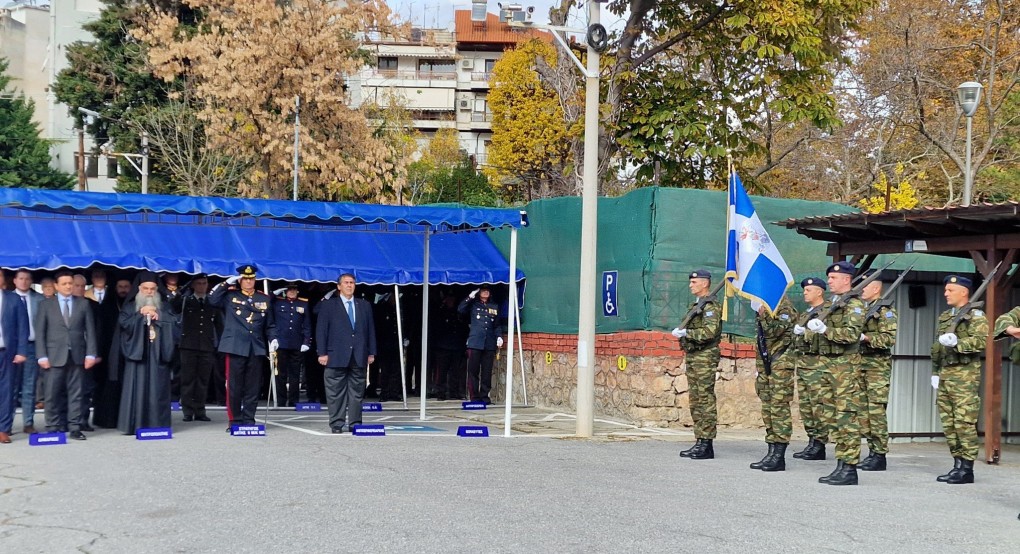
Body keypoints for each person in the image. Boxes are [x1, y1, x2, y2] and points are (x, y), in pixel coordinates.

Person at [808, 261, 866, 486]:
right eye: (829, 277)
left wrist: (826, 330)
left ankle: (849, 468)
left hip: (845, 369)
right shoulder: (834, 303)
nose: (829, 281)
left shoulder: (854, 305)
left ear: (846, 279)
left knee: (846, 417)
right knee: (832, 417)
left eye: (833, 277)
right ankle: (841, 464)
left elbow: (851, 334)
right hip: (828, 366)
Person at [930, 275, 987, 485]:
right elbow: (937, 346)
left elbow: (981, 342)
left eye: (950, 290)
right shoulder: (945, 316)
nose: (946, 293)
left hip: (964, 376)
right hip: (945, 374)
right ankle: (957, 464)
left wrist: (958, 343)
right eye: (946, 290)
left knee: (964, 422)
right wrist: (935, 370)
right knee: (949, 422)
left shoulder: (977, 315)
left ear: (964, 292)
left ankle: (967, 468)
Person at [208, 264, 276, 430]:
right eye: (245, 279)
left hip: (256, 346)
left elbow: (270, 324)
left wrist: (274, 339)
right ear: (239, 280)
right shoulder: (230, 296)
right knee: (234, 385)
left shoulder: (264, 298)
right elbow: (212, 299)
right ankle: (235, 420)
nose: (248, 282)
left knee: (253, 386)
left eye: (251, 278)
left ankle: (249, 419)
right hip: (235, 345)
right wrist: (225, 283)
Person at [34, 271, 98, 440]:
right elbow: (40, 332)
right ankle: (53, 426)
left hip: (77, 354)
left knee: (76, 393)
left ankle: (75, 426)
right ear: (56, 286)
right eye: (64, 284)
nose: (69, 286)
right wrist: (41, 356)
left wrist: (91, 354)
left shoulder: (83, 304)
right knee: (52, 393)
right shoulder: (45, 305)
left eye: (70, 283)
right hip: (53, 356)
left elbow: (90, 331)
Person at [117, 272, 178, 434]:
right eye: (145, 289)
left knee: (158, 389)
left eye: (152, 289)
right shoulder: (130, 307)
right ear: (139, 289)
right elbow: (123, 324)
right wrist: (140, 315)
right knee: (137, 390)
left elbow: (175, 323)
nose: (149, 292)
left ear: (157, 289)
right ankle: (135, 424)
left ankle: (158, 425)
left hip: (158, 354)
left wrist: (160, 317)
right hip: (138, 355)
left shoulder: (165, 306)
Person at [672, 269, 722, 460]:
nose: (691, 285)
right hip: (694, 356)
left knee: (705, 400)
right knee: (696, 399)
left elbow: (709, 332)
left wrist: (687, 334)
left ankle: (707, 443)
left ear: (705, 283)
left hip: (705, 356)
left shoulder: (710, 306)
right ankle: (699, 439)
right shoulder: (698, 304)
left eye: (694, 283)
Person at [316, 273, 376, 433]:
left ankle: (355, 423)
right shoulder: (329, 305)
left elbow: (370, 330)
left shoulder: (364, 305)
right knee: (335, 392)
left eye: (352, 283)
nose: (349, 285)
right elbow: (321, 330)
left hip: (359, 354)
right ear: (339, 286)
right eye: (346, 283)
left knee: (357, 392)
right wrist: (322, 353)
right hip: (335, 355)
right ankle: (336, 423)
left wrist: (371, 352)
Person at [749, 295, 797, 472]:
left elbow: (774, 332)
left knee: (778, 408)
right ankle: (771, 451)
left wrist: (763, 314)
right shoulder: (769, 306)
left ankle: (779, 455)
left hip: (781, 366)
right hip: (766, 364)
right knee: (768, 408)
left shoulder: (785, 309)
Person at [858, 272, 898, 471]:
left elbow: (888, 340)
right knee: (863, 413)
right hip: (859, 366)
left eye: (865, 285)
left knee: (875, 413)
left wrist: (866, 338)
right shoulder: (860, 309)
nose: (861, 289)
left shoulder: (885, 311)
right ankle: (871, 451)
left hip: (876, 369)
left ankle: (879, 454)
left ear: (876, 288)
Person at [791, 277, 831, 461]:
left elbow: (824, 336)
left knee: (818, 406)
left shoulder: (828, 311)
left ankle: (820, 443)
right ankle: (812, 440)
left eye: (808, 290)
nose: (804, 293)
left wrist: (806, 332)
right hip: (805, 364)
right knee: (806, 407)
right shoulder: (806, 313)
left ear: (819, 292)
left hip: (818, 365)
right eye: (804, 290)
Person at [174, 274, 221, 421]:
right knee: (188, 379)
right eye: (199, 283)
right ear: (193, 285)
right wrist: (183, 290)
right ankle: (188, 411)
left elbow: (219, 325)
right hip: (188, 345)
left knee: (203, 380)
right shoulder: (186, 301)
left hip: (206, 345)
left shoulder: (212, 302)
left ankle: (200, 410)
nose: (202, 286)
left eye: (204, 283)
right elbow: (172, 305)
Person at [458, 285, 504, 404]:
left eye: (487, 291)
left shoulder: (494, 306)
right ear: (479, 293)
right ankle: (474, 397)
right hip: (475, 342)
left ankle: (484, 396)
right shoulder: (473, 305)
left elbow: (497, 325)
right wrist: (469, 297)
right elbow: (461, 309)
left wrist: (499, 336)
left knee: (486, 372)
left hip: (489, 343)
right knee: (473, 371)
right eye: (483, 291)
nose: (485, 292)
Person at [12, 270, 43, 434]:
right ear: (15, 281)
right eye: (21, 278)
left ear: (31, 281)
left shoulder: (39, 299)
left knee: (29, 386)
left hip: (32, 346)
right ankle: (6, 424)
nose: (24, 282)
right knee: (10, 386)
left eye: (27, 279)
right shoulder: (7, 298)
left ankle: (28, 422)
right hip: (12, 348)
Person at [0, 272, 29, 443]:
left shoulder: (13, 299)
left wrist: (22, 351)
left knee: (7, 390)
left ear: (4, 279)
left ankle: (3, 428)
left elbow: (22, 327)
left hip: (7, 352)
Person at [271, 283, 311, 406]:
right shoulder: (277, 302)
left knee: (295, 374)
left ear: (297, 291)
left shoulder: (303, 303)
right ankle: (281, 401)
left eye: (294, 289)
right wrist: (275, 292)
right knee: (281, 374)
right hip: (281, 343)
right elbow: (267, 302)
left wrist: (306, 342)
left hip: (297, 344)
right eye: (289, 289)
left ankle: (294, 401)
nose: (292, 291)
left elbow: (307, 325)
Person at [431, 292, 468, 400]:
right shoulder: (440, 312)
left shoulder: (458, 312)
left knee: (455, 371)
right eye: (449, 299)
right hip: (443, 346)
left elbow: (463, 328)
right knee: (442, 371)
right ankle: (441, 392)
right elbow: (436, 329)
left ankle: (454, 392)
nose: (451, 301)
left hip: (457, 346)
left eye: (453, 299)